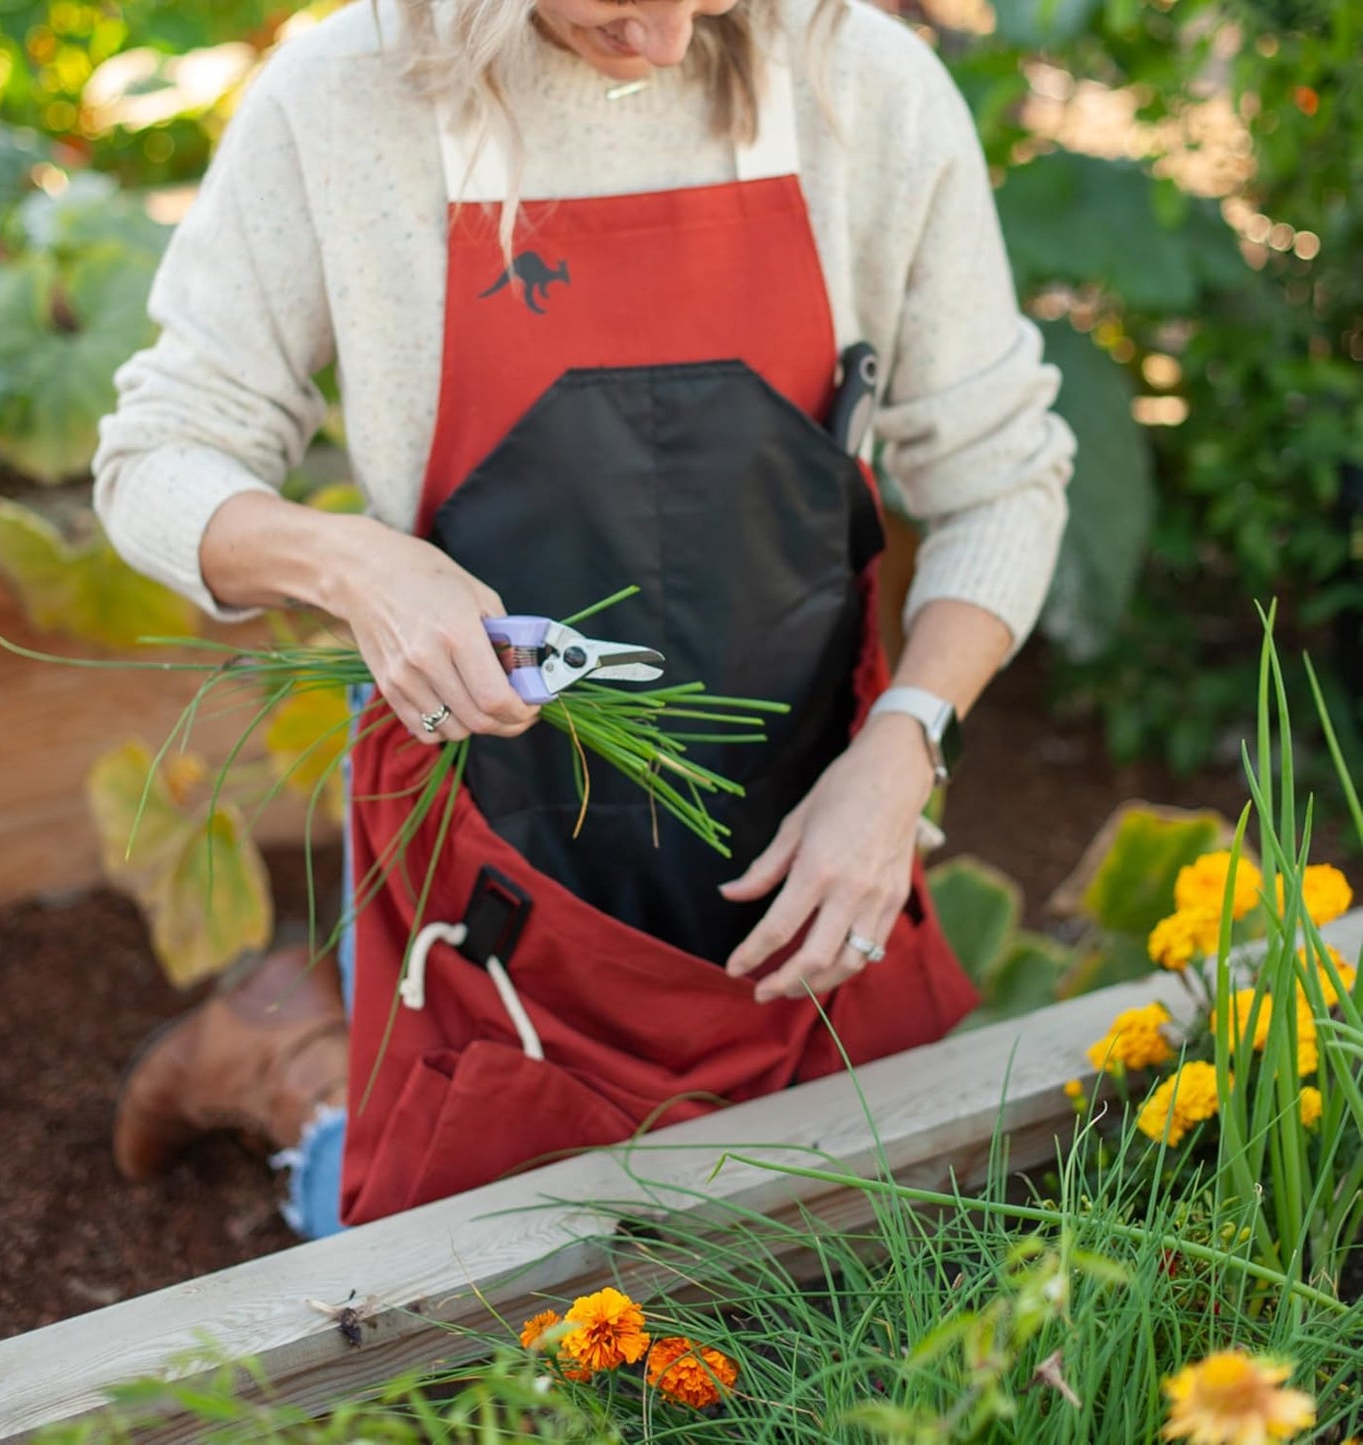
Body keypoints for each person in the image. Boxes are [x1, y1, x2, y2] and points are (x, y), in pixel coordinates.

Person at [96, 0, 1074, 1237]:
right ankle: (294, 1079)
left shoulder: (859, 82)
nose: (669, 42)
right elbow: (155, 460)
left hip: (810, 835)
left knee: (853, 1263)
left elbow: (1000, 480)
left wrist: (906, 742)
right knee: (462, 1283)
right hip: (488, 847)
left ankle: (298, 1044)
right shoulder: (346, 94)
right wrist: (355, 563)